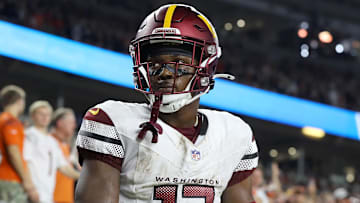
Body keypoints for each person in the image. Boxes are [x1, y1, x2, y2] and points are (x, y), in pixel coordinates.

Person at [75, 4, 259, 203]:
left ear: (205, 68)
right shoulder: (113, 122)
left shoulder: (233, 134)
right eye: (154, 65)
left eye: (178, 64)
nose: (164, 73)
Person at [24, 101, 80, 203]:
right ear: (33, 116)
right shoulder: (28, 136)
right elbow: (24, 163)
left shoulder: (52, 142)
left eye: (48, 114)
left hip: (47, 196)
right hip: (32, 193)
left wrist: (84, 177)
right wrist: (30, 188)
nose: (45, 117)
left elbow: (64, 168)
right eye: (41, 114)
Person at [0, 85, 39, 203]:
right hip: (10, 178)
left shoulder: (3, 119)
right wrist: (27, 182)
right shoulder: (11, 121)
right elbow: (14, 153)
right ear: (20, 101)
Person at [51, 108, 79, 203]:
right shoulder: (50, 142)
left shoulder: (65, 145)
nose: (74, 126)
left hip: (66, 199)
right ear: (60, 123)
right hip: (52, 198)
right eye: (71, 122)